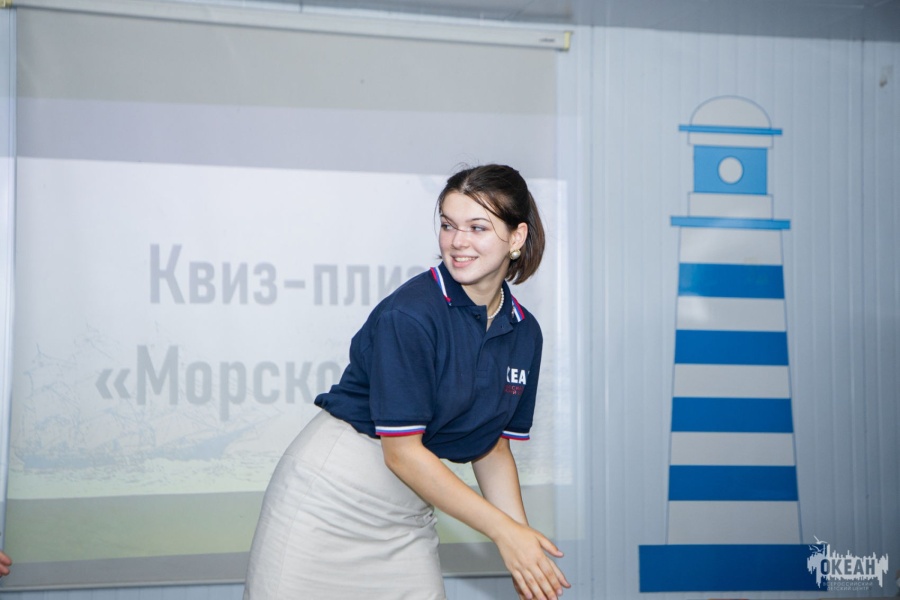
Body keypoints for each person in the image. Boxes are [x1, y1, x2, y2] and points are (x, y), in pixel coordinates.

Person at [244, 164, 570, 600]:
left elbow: (492, 447)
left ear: (516, 237)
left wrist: (521, 545)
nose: (457, 241)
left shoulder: (525, 332)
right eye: (448, 225)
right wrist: (503, 532)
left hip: (407, 515)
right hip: (326, 502)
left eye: (477, 227)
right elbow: (401, 453)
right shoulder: (411, 313)